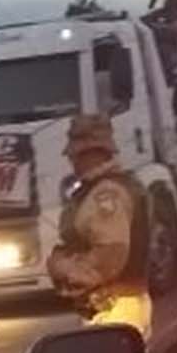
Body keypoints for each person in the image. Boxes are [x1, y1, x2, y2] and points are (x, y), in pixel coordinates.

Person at [45, 111, 152, 335]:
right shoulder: (104, 187)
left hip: (113, 305)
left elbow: (110, 252)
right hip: (115, 304)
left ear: (90, 154)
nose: (71, 161)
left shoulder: (107, 193)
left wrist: (64, 268)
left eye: (75, 155)